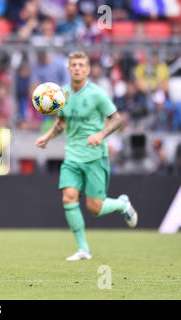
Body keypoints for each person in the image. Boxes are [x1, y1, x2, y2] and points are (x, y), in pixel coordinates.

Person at [35, 51, 138, 261]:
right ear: (68, 68)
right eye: (74, 65)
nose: (77, 68)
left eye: (81, 65)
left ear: (88, 69)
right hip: (72, 157)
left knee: (95, 208)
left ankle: (122, 204)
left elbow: (117, 120)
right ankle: (83, 249)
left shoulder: (97, 94)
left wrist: (101, 134)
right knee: (68, 198)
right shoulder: (61, 94)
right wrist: (47, 136)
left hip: (94, 157)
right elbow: (62, 122)